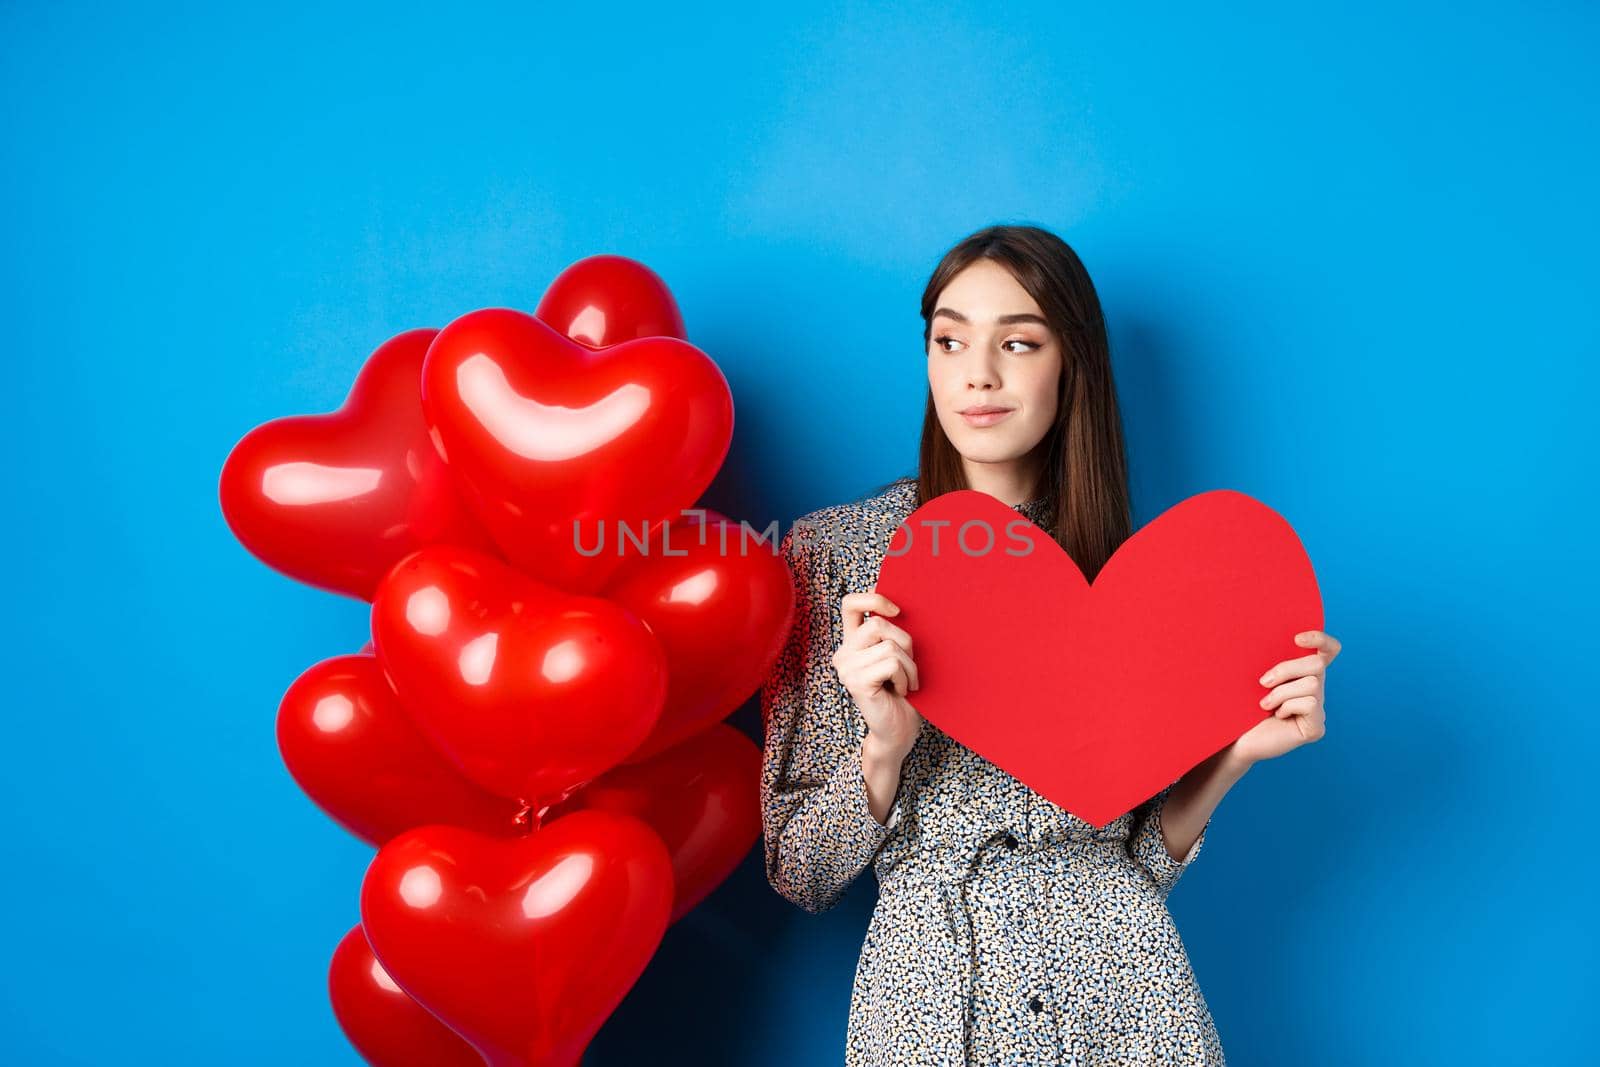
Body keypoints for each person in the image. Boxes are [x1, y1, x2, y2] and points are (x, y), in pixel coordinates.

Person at [758, 224, 1341, 1066]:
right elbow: (799, 870)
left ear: (1072, 364)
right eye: (949, 339)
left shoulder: (1136, 579)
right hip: (929, 1000)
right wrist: (883, 749)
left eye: (1018, 342)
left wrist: (1234, 754)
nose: (977, 373)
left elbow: (1136, 858)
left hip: (1129, 996)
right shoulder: (840, 557)